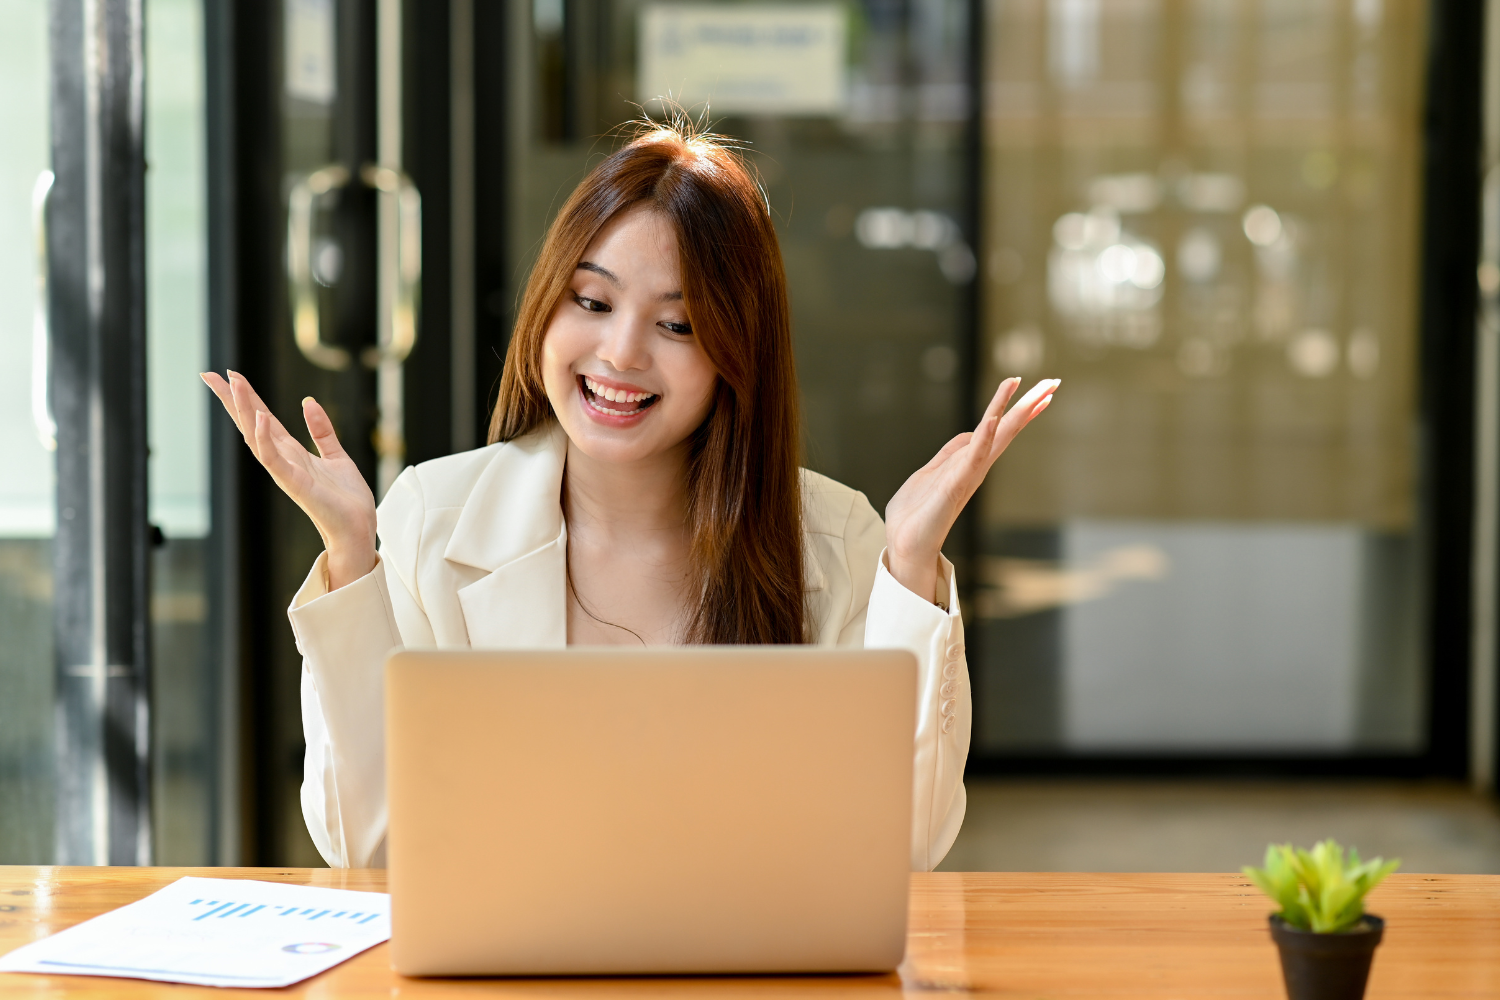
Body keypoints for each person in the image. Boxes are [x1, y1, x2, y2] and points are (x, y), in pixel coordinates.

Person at [203, 122, 1057, 871]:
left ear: (735, 352)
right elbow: (371, 849)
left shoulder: (833, 537)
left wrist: (908, 568)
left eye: (677, 324)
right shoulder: (433, 516)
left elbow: (904, 845)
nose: (620, 353)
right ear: (549, 304)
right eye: (593, 300)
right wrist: (353, 556)